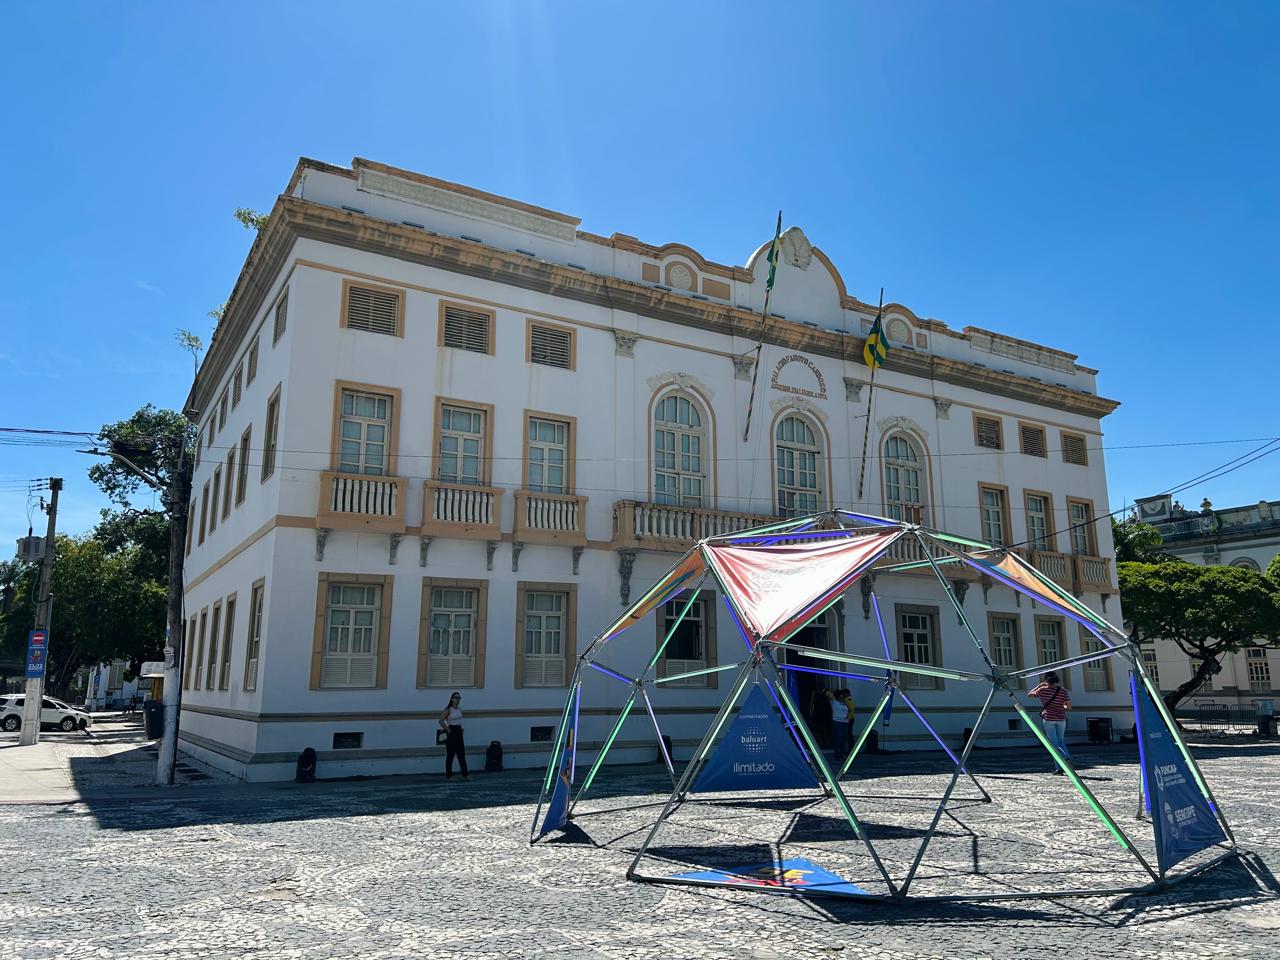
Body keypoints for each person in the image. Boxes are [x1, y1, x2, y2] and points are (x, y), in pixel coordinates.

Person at [1029, 672, 1072, 774]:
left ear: (1046, 680)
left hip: (1049, 718)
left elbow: (1030, 694)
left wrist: (1039, 685)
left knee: (1053, 744)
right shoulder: (1062, 691)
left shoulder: (1042, 690)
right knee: (1061, 741)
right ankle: (1065, 758)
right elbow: (1069, 707)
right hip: (1061, 718)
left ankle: (1061, 764)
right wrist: (1061, 707)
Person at [439, 692, 469, 780]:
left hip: (458, 731)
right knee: (450, 755)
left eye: (459, 698)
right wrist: (448, 729)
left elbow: (458, 720)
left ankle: (465, 774)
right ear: (452, 699)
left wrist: (461, 729)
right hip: (451, 730)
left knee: (461, 754)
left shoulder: (459, 709)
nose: (458, 699)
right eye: (456, 697)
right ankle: (449, 775)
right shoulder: (448, 709)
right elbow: (440, 721)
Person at [827, 688, 850, 761]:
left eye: (842, 696)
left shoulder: (844, 703)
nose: (842, 697)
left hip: (845, 722)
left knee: (843, 739)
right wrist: (834, 694)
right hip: (837, 722)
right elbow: (828, 694)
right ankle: (837, 756)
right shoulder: (834, 701)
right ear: (838, 696)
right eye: (841, 696)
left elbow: (848, 710)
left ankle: (842, 755)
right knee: (838, 739)